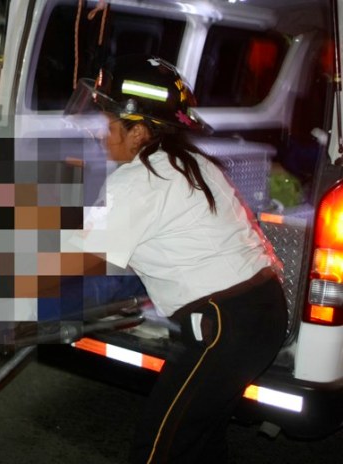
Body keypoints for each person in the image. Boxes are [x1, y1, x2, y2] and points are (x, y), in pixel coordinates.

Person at [61, 55, 288, 463]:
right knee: (201, 444)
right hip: (258, 313)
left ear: (138, 131)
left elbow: (75, 263)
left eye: (109, 125)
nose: (101, 135)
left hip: (224, 326)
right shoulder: (189, 163)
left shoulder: (140, 179)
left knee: (158, 450)